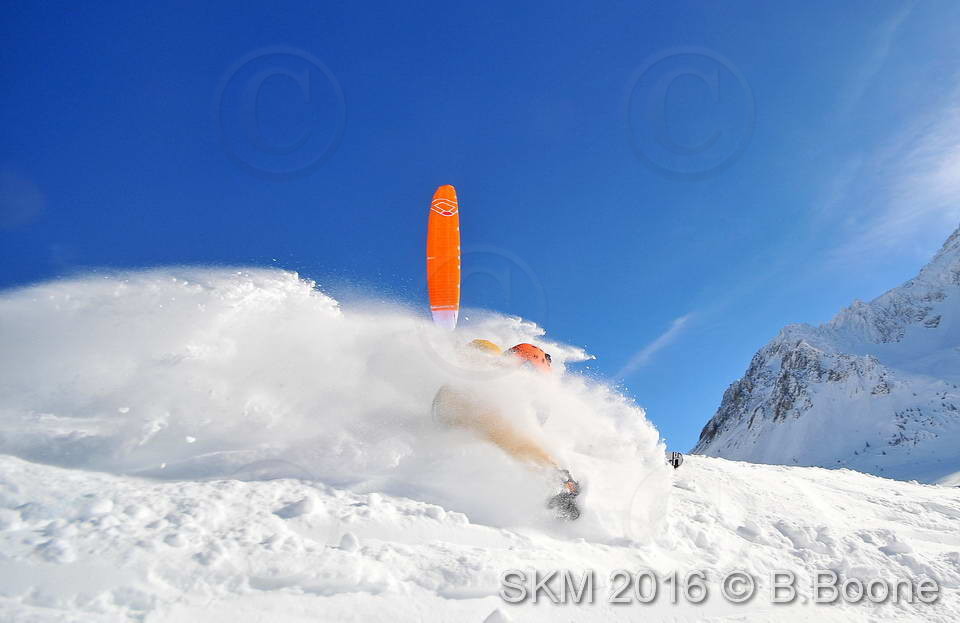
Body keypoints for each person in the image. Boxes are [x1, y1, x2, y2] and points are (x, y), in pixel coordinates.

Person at [431, 340, 580, 517]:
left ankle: (565, 486)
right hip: (484, 428)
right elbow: (441, 415)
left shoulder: (500, 369)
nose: (469, 360)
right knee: (518, 453)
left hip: (507, 418)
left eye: (475, 354)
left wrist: (543, 365)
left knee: (523, 447)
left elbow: (529, 352)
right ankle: (559, 492)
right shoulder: (456, 384)